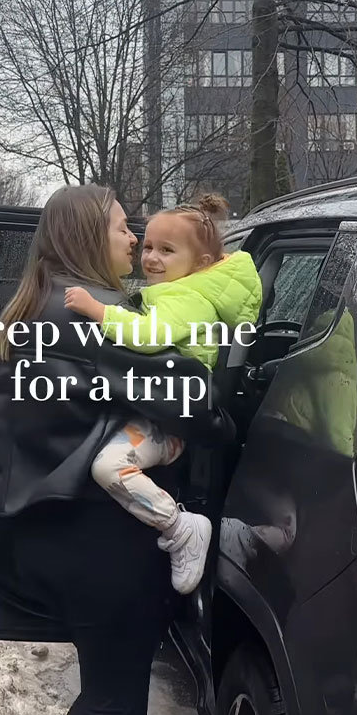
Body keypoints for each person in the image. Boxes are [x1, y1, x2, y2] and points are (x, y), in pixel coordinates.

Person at [0, 184, 233, 715]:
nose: (133, 239)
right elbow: (193, 402)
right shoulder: (93, 316)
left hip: (49, 536)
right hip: (104, 543)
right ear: (91, 235)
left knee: (103, 699)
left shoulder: (36, 307)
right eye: (124, 228)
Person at [63, 194, 261, 594]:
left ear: (201, 264)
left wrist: (97, 310)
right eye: (149, 246)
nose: (151, 257)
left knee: (109, 467)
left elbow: (149, 337)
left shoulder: (187, 298)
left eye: (167, 251)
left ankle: (180, 528)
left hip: (168, 423)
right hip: (162, 410)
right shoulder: (184, 290)